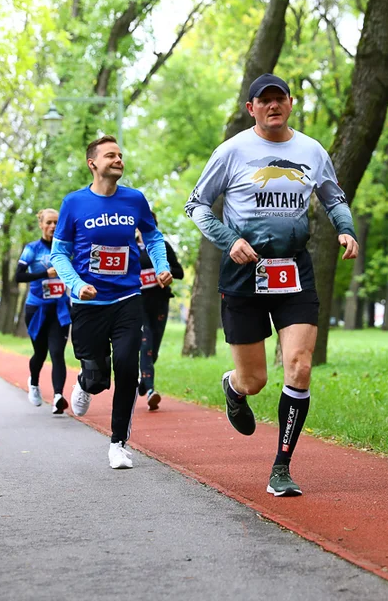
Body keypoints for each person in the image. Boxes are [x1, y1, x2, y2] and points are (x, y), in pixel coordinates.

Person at [185, 73, 359, 497]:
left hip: (294, 269)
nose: (272, 105)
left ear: (291, 103)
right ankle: (234, 387)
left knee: (299, 366)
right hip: (244, 272)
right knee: (255, 380)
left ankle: (281, 466)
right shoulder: (232, 151)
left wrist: (346, 229)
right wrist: (231, 241)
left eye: (279, 98)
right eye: (264, 101)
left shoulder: (312, 151)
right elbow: (196, 205)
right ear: (251, 109)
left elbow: (333, 196)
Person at [50, 134, 173, 470]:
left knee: (127, 367)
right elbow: (59, 253)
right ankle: (85, 382)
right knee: (99, 377)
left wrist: (161, 267)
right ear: (93, 164)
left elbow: (153, 236)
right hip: (89, 304)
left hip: (127, 299)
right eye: (110, 156)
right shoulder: (74, 203)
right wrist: (76, 285)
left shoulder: (134, 200)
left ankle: (118, 443)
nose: (118, 160)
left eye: (120, 155)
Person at [17, 208, 71, 415]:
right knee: (40, 353)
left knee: (57, 352)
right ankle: (34, 383)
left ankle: (58, 396)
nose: (53, 227)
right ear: (41, 224)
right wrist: (44, 273)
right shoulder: (32, 249)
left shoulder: (66, 248)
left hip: (60, 308)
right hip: (37, 308)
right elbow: (18, 277)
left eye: (57, 222)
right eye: (49, 222)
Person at [136, 218, 185, 411]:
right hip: (137, 304)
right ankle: (150, 391)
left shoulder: (162, 246)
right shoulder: (129, 247)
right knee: (145, 343)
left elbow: (179, 271)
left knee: (153, 349)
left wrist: (163, 272)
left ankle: (143, 378)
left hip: (159, 303)